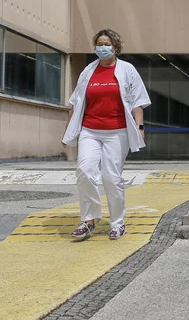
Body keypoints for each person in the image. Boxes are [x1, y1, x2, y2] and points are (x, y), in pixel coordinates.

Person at [62, 29, 151, 241]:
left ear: (115, 47)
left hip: (117, 131)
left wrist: (140, 128)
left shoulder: (127, 70)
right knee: (84, 171)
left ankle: (117, 223)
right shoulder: (88, 71)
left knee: (111, 177)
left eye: (107, 44)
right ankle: (89, 220)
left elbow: (137, 101)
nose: (102, 48)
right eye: (99, 44)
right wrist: (68, 132)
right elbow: (76, 103)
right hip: (90, 130)